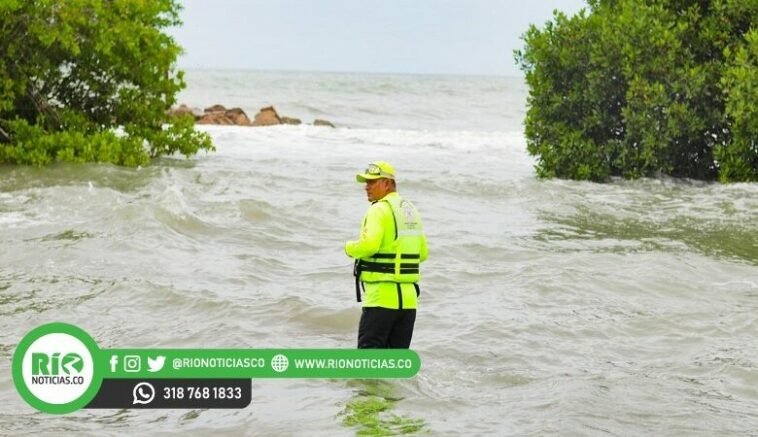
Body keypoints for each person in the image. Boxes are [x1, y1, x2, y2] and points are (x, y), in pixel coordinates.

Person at [345, 161, 428, 348]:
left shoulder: (378, 209)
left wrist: (349, 247)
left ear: (387, 183)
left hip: (381, 299)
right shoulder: (411, 210)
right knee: (394, 366)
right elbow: (422, 253)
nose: (367, 187)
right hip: (408, 303)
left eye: (372, 182)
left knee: (368, 363)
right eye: (366, 182)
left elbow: (369, 246)